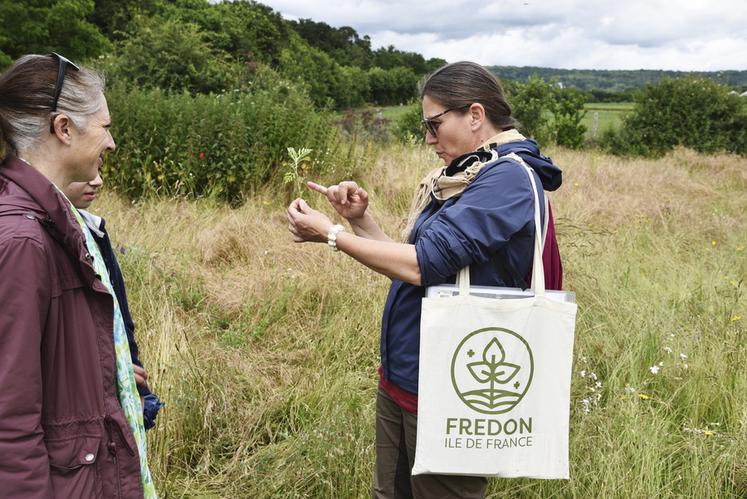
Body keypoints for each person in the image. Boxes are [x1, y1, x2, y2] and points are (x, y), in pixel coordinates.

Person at [287, 61, 563, 498]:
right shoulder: (465, 174)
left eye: (435, 125)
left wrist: (330, 234)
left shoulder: (506, 178)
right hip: (407, 374)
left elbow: (420, 265)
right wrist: (359, 221)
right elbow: (420, 268)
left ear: (475, 115)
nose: (429, 140)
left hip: (452, 383)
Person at [0, 54, 157, 498]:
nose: (111, 143)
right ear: (64, 128)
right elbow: (8, 420)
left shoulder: (58, 222)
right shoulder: (22, 241)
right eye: (105, 126)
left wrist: (105, 369)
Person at [62, 172, 164, 431]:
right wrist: (107, 371)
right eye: (82, 170)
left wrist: (139, 395)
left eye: (100, 168)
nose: (97, 181)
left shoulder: (93, 231)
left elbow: (120, 323)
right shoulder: (32, 240)